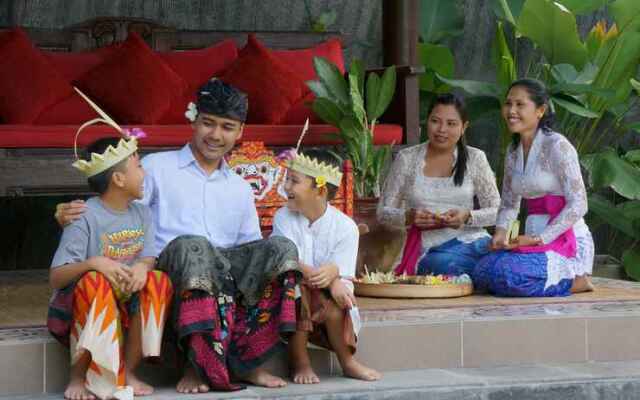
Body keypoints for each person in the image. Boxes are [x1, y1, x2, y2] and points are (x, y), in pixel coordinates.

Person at [55, 79, 302, 394]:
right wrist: (73, 215)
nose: (215, 135)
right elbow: (118, 209)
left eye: (227, 127)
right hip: (170, 267)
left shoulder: (240, 187)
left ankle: (247, 363)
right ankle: (195, 366)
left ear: (240, 132)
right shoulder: (157, 167)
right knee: (193, 245)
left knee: (280, 248)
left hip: (223, 270)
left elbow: (249, 248)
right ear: (194, 121)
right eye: (208, 123)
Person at [48, 120, 173, 400]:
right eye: (139, 166)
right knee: (95, 283)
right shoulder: (83, 215)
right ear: (118, 179)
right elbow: (56, 277)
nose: (144, 173)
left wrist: (143, 266)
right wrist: (94, 263)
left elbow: (149, 256)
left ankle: (127, 370)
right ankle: (79, 376)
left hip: (125, 302)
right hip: (84, 306)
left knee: (158, 281)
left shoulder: (142, 214)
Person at [472, 78, 595, 297]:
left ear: (540, 110)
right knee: (482, 271)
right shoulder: (512, 152)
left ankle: (577, 280)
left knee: (508, 276)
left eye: (520, 104)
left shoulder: (559, 146)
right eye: (508, 104)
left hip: (564, 241)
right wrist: (500, 234)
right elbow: (510, 204)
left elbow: (579, 203)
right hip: (528, 240)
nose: (511, 110)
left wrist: (540, 239)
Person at [271, 149, 381, 384]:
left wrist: (335, 279)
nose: (285, 187)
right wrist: (329, 275)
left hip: (325, 296)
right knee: (297, 292)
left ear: (320, 190)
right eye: (286, 179)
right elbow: (288, 261)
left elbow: (343, 273)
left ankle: (347, 361)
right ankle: (300, 361)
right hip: (295, 291)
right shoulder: (283, 218)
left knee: (337, 301)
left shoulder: (345, 227)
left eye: (294, 181)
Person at [377, 93, 501, 277]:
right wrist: (409, 217)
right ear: (426, 122)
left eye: (451, 124)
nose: (442, 129)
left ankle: (484, 273)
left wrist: (467, 216)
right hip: (430, 251)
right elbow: (382, 212)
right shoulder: (407, 158)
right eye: (435, 121)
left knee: (500, 255)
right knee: (443, 264)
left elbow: (498, 210)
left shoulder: (476, 158)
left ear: (464, 127)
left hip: (470, 241)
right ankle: (486, 274)